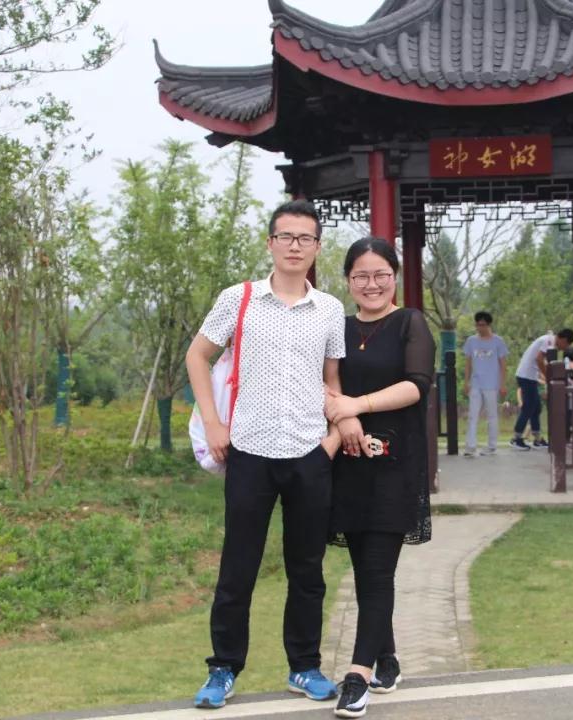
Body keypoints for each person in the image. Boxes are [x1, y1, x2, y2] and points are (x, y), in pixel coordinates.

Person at [184, 200, 346, 709]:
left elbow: (332, 382)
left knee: (308, 570)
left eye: (305, 238)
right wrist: (214, 422)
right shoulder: (239, 299)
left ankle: (305, 666)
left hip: (308, 453)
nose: (295, 246)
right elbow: (197, 355)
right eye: (286, 236)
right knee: (238, 568)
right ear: (270, 242)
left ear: (317, 247)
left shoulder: (330, 310)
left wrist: (331, 442)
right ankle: (223, 669)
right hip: (249, 451)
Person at [323, 238, 436, 718]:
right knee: (366, 570)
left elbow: (416, 385)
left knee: (376, 571)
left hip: (394, 463)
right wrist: (345, 416)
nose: (371, 284)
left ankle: (358, 676)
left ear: (395, 277)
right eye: (361, 276)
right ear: (349, 280)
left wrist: (357, 405)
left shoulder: (411, 322)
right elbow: (324, 380)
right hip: (348, 461)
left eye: (381, 275)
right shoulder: (338, 326)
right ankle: (387, 659)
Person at [462, 311, 508, 458]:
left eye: (482, 325)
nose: (479, 328)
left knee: (492, 416)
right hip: (476, 383)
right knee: (473, 415)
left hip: (492, 384)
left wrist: (503, 384)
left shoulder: (498, 342)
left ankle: (492, 446)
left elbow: (503, 365)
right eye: (477, 325)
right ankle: (470, 446)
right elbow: (468, 363)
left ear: (488, 325)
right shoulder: (471, 341)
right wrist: (466, 382)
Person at [509, 332, 554, 450]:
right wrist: (548, 377)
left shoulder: (547, 340)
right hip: (526, 376)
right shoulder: (549, 340)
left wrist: (544, 375)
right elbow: (539, 359)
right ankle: (516, 438)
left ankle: (537, 439)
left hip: (530, 376)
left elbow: (541, 361)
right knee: (528, 408)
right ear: (564, 340)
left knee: (536, 408)